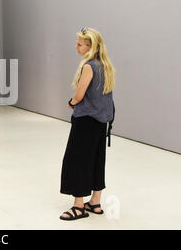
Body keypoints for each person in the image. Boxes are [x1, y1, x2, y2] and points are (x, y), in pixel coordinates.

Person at [59, 27, 115, 221]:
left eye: (80, 44)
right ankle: (95, 201)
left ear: (90, 47)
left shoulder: (89, 66)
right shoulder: (105, 65)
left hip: (86, 121)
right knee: (97, 159)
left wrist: (71, 102)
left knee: (77, 160)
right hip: (101, 121)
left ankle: (78, 206)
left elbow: (80, 94)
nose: (76, 47)